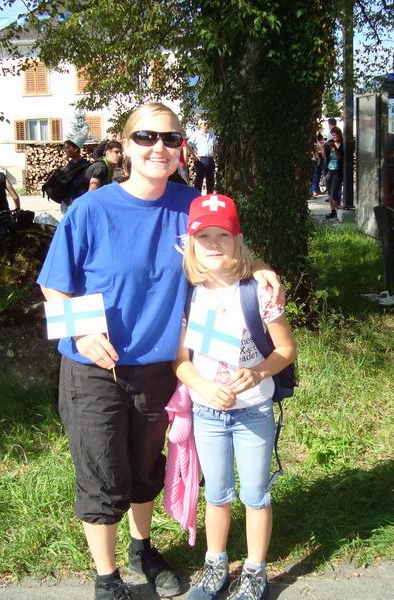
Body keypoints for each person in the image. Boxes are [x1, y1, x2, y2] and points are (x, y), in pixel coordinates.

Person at [36, 102, 280, 600]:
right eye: (146, 137)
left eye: (170, 138)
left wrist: (261, 270)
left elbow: (225, 248)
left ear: (181, 148)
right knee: (103, 472)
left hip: (161, 368)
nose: (159, 148)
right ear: (125, 146)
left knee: (146, 467)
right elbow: (53, 286)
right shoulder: (90, 210)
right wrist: (81, 335)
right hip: (95, 368)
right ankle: (107, 579)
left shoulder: (191, 205)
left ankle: (141, 547)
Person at [174, 194, 296, 600]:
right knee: (217, 493)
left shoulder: (258, 292)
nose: (213, 244)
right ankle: (216, 565)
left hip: (254, 411)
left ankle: (256, 570)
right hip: (207, 413)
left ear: (237, 240)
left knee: (256, 495)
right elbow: (181, 362)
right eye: (203, 236)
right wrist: (204, 387)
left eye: (222, 235)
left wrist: (258, 372)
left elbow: (286, 349)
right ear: (190, 244)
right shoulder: (187, 294)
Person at [60, 129, 91, 213]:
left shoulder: (86, 166)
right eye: (64, 147)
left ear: (76, 149)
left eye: (67, 147)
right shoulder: (69, 165)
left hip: (79, 203)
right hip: (67, 202)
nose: (65, 150)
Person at [190, 118, 217, 194]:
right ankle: (197, 197)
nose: (206, 125)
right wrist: (193, 155)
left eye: (207, 123)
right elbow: (188, 144)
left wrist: (215, 152)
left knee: (210, 180)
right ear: (200, 125)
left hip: (210, 159)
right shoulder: (196, 135)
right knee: (199, 180)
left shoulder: (211, 134)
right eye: (204, 124)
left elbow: (216, 144)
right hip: (200, 159)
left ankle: (210, 197)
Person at [323, 127, 344, 220]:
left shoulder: (342, 144)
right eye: (333, 135)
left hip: (337, 170)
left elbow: (339, 157)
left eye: (335, 135)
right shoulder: (329, 143)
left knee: (334, 193)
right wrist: (323, 148)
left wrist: (334, 147)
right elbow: (325, 157)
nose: (334, 137)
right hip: (329, 170)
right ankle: (333, 211)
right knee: (329, 193)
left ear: (339, 134)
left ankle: (339, 210)